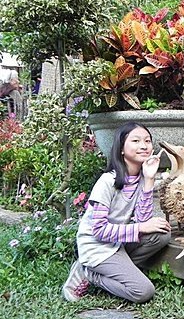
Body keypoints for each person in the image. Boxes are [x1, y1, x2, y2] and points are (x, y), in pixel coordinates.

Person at [62, 122, 171, 303]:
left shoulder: (142, 177)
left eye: (147, 141)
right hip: (97, 246)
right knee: (143, 291)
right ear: (121, 148)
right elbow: (98, 231)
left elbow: (143, 219)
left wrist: (150, 180)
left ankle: (118, 269)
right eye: (135, 141)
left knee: (161, 234)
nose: (143, 146)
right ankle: (89, 273)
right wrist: (142, 227)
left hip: (117, 242)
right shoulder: (108, 181)